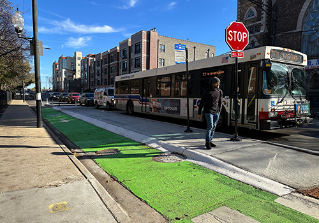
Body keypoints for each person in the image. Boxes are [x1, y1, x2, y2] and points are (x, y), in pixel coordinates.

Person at [197, 77, 223, 150]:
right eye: (216, 83)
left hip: (216, 112)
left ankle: (210, 140)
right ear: (212, 84)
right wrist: (199, 113)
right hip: (208, 112)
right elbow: (202, 102)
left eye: (219, 83)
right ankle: (207, 142)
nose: (218, 84)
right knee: (210, 126)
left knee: (214, 127)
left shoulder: (220, 91)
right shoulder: (207, 91)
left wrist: (219, 111)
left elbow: (220, 102)